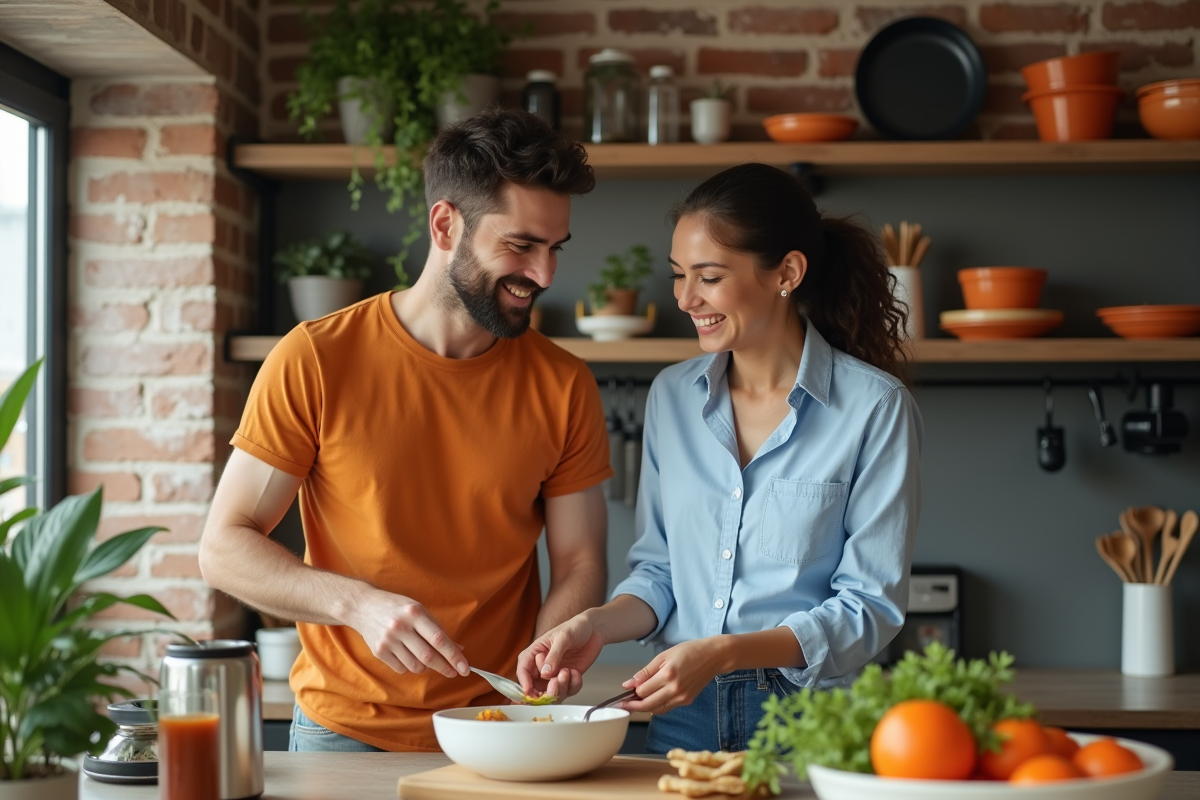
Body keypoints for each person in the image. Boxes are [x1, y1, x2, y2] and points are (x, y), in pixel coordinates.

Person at [199, 109, 613, 753]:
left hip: (497, 731)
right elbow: (223, 549)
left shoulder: (563, 384)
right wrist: (356, 605)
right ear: (445, 224)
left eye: (554, 249)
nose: (545, 276)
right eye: (520, 246)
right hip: (341, 730)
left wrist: (550, 644)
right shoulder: (316, 358)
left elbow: (581, 560)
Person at [518, 162, 923, 754]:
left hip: (809, 718)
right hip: (681, 713)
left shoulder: (875, 408)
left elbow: (870, 608)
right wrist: (592, 627)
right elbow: (660, 573)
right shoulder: (672, 397)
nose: (685, 299)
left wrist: (724, 653)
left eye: (708, 277)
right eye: (679, 275)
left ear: (786, 272)